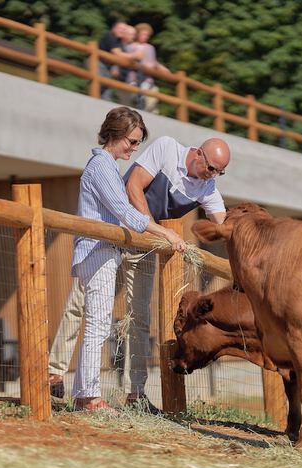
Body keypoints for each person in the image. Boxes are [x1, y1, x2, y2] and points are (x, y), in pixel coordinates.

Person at [50, 133, 231, 413]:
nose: (213, 175)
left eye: (220, 172)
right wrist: (152, 229)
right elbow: (134, 185)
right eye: (211, 168)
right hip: (117, 231)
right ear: (198, 154)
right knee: (80, 302)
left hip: (148, 246)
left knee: (139, 317)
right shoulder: (167, 149)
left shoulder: (208, 189)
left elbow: (222, 225)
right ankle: (54, 372)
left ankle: (135, 392)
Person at [71, 107, 185, 413]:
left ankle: (85, 394)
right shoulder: (102, 166)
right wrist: (165, 233)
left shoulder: (106, 166)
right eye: (132, 142)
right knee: (97, 325)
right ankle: (88, 398)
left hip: (103, 251)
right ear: (115, 135)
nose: (134, 149)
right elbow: (125, 212)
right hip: (97, 250)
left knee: (97, 324)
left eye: (137, 143)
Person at [129, 23, 170, 113]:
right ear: (138, 34)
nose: (145, 37)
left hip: (147, 78)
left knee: (148, 100)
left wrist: (163, 68)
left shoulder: (150, 48)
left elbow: (153, 61)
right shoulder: (131, 46)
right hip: (134, 77)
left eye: (147, 35)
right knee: (134, 98)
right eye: (143, 34)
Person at [98, 21, 142, 102]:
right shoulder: (110, 36)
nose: (122, 31)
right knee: (100, 85)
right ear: (113, 28)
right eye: (120, 28)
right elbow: (117, 53)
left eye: (124, 29)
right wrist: (135, 55)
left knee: (106, 89)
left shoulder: (118, 42)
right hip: (99, 64)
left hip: (106, 67)